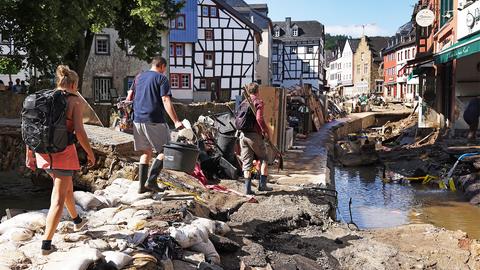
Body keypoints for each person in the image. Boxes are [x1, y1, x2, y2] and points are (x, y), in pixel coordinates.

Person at [26, 65, 95, 255]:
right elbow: (80, 132)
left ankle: (77, 221)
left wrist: (29, 154)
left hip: (43, 153)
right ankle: (46, 244)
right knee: (57, 198)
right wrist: (90, 153)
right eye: (77, 86)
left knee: (67, 189)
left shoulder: (42, 98)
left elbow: (31, 128)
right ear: (73, 84)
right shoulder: (74, 102)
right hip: (63, 154)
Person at [130, 56, 183, 193]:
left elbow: (129, 96)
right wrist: (176, 121)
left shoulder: (138, 77)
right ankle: (151, 182)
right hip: (154, 120)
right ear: (162, 66)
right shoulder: (161, 78)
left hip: (137, 119)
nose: (164, 72)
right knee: (166, 150)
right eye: (164, 69)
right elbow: (165, 100)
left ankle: (141, 187)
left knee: (146, 152)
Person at [240, 82, 271, 194]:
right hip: (254, 136)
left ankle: (247, 190)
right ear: (258, 91)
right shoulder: (258, 102)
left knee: (247, 163)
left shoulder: (244, 102)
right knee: (264, 158)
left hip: (243, 135)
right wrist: (266, 130)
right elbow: (259, 119)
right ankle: (262, 186)